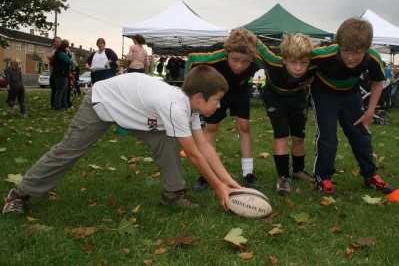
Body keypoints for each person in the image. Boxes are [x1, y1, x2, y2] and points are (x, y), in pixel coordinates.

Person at [2, 65, 240, 215]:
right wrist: (218, 188)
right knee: (67, 151)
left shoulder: (191, 109)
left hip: (138, 111)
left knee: (167, 141)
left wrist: (229, 181)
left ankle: (174, 194)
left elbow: (205, 148)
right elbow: (195, 155)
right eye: (217, 100)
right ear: (199, 96)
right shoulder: (174, 107)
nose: (219, 106)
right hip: (103, 102)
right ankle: (19, 194)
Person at [310, 17, 395, 197]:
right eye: (345, 51)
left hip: (350, 93)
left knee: (361, 134)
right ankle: (323, 178)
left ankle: (370, 175)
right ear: (339, 44)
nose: (350, 57)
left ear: (367, 48)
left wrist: (370, 112)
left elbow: (378, 83)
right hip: (324, 93)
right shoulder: (323, 52)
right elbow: (298, 60)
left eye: (357, 52)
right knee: (328, 137)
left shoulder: (373, 57)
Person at [187, 28, 262, 191]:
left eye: (245, 61)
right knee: (211, 127)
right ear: (227, 52)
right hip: (217, 90)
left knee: (244, 126)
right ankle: (205, 174)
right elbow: (192, 58)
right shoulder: (212, 54)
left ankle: (248, 172)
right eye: (235, 59)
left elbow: (277, 62)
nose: (239, 66)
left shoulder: (259, 58)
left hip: (240, 89)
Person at [257, 33, 316, 196]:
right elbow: (253, 39)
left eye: (303, 63)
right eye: (293, 62)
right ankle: (283, 177)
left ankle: (298, 170)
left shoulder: (316, 62)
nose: (298, 68)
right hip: (274, 97)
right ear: (284, 59)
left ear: (309, 60)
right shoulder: (272, 59)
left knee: (299, 137)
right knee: (281, 135)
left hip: (297, 97)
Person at [53, 39, 74, 111]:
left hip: (62, 74)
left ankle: (64, 105)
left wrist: (68, 53)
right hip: (61, 75)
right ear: (66, 46)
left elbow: (68, 60)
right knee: (60, 91)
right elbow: (70, 62)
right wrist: (69, 52)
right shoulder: (61, 53)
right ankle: (58, 106)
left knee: (64, 91)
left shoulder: (59, 52)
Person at [46, 36, 62, 109]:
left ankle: (60, 104)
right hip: (53, 74)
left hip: (61, 74)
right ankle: (53, 105)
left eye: (59, 42)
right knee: (54, 90)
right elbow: (48, 56)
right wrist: (57, 50)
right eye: (56, 41)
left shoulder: (62, 50)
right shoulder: (51, 50)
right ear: (53, 42)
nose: (58, 43)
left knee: (61, 90)